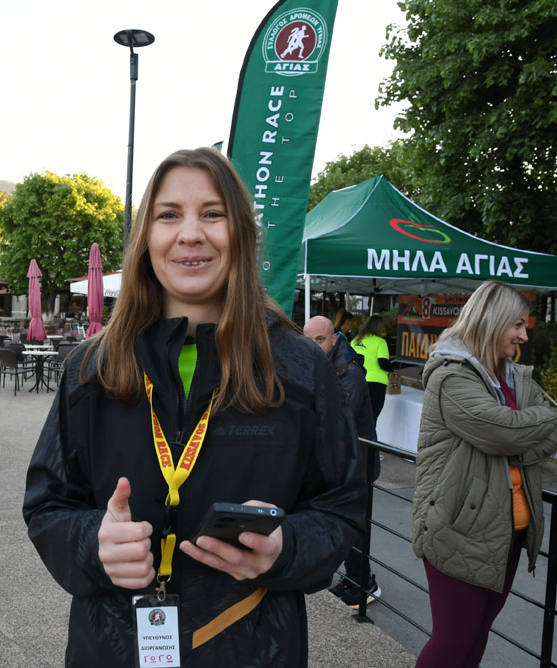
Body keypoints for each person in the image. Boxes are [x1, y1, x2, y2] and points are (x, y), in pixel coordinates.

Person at [22, 147, 366, 667]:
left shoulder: (299, 368)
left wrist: (287, 547)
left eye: (212, 213)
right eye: (168, 215)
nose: (190, 233)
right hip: (112, 647)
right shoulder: (91, 368)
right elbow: (47, 505)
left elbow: (342, 507)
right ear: (146, 238)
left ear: (241, 234)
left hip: (254, 650)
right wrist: (93, 544)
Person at [411, 280, 557, 668]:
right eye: (517, 325)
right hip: (459, 528)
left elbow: (548, 438)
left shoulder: (512, 376)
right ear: (493, 320)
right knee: (454, 640)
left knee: (477, 635)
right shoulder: (452, 375)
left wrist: (516, 434)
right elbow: (502, 430)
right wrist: (539, 421)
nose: (523, 335)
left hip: (507, 531)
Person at [303, 315, 381, 608]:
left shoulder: (348, 371)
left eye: (320, 339)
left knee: (354, 526)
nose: (313, 346)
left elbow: (337, 418)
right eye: (308, 340)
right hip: (342, 462)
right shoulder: (323, 364)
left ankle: (364, 584)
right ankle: (354, 578)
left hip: (357, 463)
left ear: (334, 339)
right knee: (344, 523)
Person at [351, 314, 393, 420]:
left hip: (356, 381)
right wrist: (393, 368)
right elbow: (383, 363)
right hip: (375, 383)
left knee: (357, 417)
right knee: (371, 418)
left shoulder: (354, 341)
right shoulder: (380, 342)